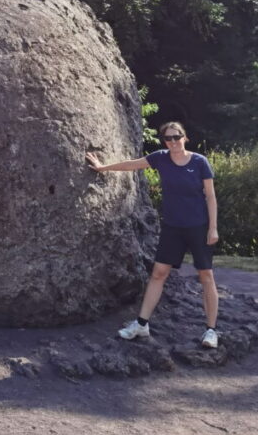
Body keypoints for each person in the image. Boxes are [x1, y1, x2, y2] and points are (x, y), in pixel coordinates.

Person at [86, 121, 219, 348]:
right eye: (168, 138)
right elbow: (132, 165)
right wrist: (103, 167)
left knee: (206, 275)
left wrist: (213, 227)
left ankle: (211, 331)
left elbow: (210, 197)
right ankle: (141, 324)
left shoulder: (199, 162)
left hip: (198, 226)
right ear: (164, 141)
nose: (173, 142)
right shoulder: (160, 158)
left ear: (185, 137)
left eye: (177, 137)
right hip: (172, 227)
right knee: (158, 273)